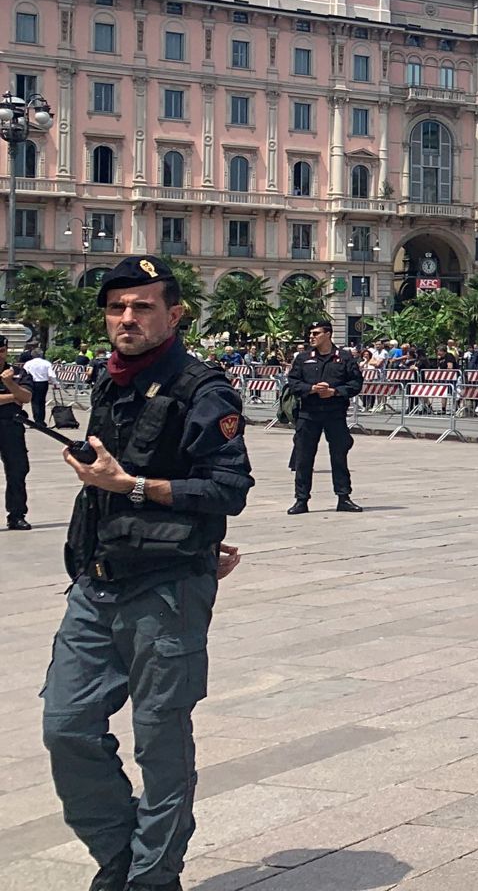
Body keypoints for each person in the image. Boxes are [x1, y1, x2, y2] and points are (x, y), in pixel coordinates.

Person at [44, 254, 253, 891]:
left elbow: (228, 488)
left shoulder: (202, 389)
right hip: (98, 580)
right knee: (66, 727)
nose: (126, 318)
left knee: (160, 742)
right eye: (116, 307)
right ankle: (122, 854)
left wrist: (134, 489)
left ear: (175, 313)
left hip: (164, 591)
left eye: (142, 306)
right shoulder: (113, 380)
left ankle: (151, 878)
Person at [284, 319, 364, 514]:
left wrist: (335, 392)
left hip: (334, 413)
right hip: (308, 413)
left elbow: (355, 384)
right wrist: (310, 389)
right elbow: (292, 382)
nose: (312, 337)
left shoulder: (344, 358)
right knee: (304, 457)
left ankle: (343, 497)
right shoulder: (303, 358)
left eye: (316, 333)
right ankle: (301, 500)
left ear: (328, 334)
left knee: (339, 455)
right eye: (311, 333)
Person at [0, 359, 31, 530]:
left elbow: (26, 397)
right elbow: (19, 396)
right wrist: (13, 396)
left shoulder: (17, 372)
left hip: (11, 426)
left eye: (1, 351)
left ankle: (17, 515)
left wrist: (9, 383)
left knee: (18, 470)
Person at [22, 344, 55, 425]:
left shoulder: (28, 363)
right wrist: (55, 383)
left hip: (32, 383)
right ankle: (41, 420)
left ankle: (37, 420)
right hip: (43, 383)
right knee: (42, 401)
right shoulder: (46, 363)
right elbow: (51, 375)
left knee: (34, 402)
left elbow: (24, 373)